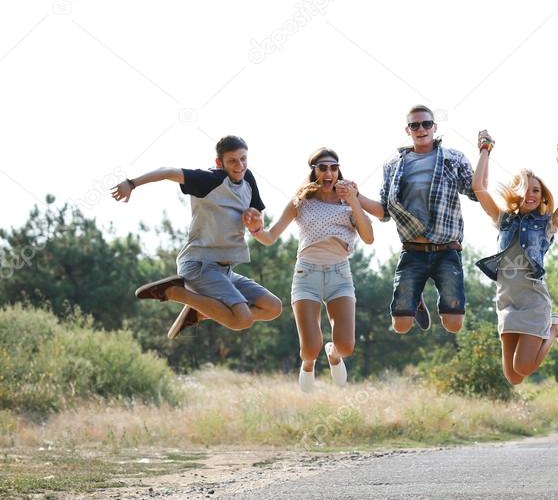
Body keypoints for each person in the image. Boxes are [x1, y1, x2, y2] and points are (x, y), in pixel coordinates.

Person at [110, 135, 282, 339]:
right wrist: (132, 183)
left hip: (224, 271)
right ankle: (174, 292)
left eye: (243, 158)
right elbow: (168, 172)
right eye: (232, 161)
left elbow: (258, 217)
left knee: (273, 307)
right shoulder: (208, 180)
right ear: (220, 163)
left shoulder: (248, 179)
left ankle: (200, 310)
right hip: (199, 265)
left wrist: (256, 224)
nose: (240, 165)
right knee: (242, 320)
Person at [246, 148, 373, 392]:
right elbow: (270, 236)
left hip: (340, 275)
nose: (329, 173)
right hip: (307, 275)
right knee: (310, 347)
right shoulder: (300, 202)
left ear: (338, 171)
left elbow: (368, 238)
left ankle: (333, 354)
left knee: (346, 345)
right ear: (314, 171)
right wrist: (255, 229)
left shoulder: (349, 203)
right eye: (323, 167)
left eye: (333, 168)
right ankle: (307, 363)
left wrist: (355, 201)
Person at [357, 105, 477, 334]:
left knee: (453, 325)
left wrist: (484, 153)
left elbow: (475, 192)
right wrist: (355, 196)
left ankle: (418, 295)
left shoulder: (453, 158)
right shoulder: (393, 166)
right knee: (400, 326)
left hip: (446, 250)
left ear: (434, 127)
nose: (421, 129)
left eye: (426, 124)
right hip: (413, 250)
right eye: (415, 125)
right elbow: (384, 212)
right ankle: (417, 299)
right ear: (407, 130)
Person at [472, 132, 558, 384]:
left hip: (533, 301)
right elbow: (479, 188)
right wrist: (485, 149)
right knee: (513, 377)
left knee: (524, 367)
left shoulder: (547, 224)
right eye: (524, 189)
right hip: (506, 301)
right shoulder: (503, 220)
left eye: (535, 190)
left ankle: (554, 328)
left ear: (542, 196)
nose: (529, 194)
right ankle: (549, 329)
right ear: (515, 193)